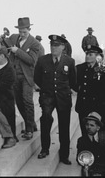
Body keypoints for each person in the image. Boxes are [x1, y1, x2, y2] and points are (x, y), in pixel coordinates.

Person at [34, 34, 76, 165]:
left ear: (63, 47)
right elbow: (37, 79)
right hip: (47, 97)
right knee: (45, 120)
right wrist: (46, 89)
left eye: (57, 45)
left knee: (64, 126)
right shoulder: (42, 60)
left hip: (63, 98)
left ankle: (64, 155)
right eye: (52, 45)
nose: (53, 48)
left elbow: (73, 81)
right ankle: (45, 149)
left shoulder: (69, 62)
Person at [6, 17, 39, 140]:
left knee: (27, 101)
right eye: (20, 31)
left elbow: (31, 61)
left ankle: (29, 129)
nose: (22, 34)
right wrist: (1, 41)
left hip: (27, 77)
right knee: (19, 103)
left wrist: (17, 51)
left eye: (24, 32)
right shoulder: (14, 37)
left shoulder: (35, 43)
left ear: (29, 29)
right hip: (15, 76)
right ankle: (32, 123)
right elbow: (5, 45)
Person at [73, 45, 105, 135]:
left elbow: (104, 88)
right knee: (84, 130)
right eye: (87, 54)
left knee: (95, 130)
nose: (87, 56)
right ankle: (84, 148)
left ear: (97, 56)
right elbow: (73, 82)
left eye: (90, 54)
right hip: (83, 104)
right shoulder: (79, 68)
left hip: (95, 106)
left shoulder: (101, 69)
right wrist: (78, 88)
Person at [76, 112, 105, 176]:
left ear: (98, 128)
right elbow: (79, 157)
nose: (89, 127)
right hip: (95, 169)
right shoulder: (81, 140)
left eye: (92, 125)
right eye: (87, 124)